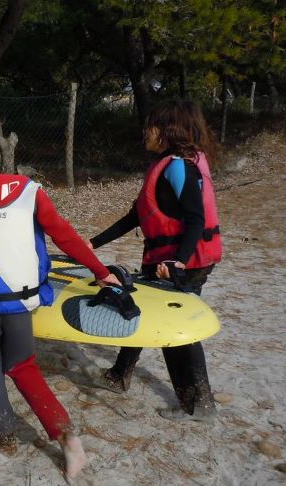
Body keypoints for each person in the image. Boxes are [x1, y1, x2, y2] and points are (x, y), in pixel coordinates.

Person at [0, 124, 121, 481]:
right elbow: (63, 234)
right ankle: (68, 440)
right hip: (22, 302)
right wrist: (99, 271)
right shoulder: (26, 189)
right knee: (22, 366)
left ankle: (5, 434)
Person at [88, 100, 222, 422]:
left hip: (184, 262)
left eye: (150, 126)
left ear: (167, 131)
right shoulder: (166, 165)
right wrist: (90, 243)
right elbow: (134, 216)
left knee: (174, 329)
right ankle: (120, 375)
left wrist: (177, 261)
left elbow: (195, 219)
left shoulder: (179, 167)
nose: (144, 132)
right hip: (169, 259)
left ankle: (199, 405)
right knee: (142, 308)